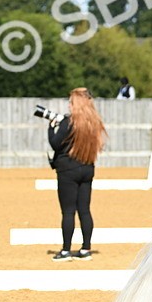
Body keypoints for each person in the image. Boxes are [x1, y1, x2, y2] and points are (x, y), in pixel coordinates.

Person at [48, 88, 107, 261]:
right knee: (85, 210)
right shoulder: (93, 123)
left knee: (68, 212)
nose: (69, 105)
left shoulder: (68, 122)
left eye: (71, 102)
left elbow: (55, 144)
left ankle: (66, 250)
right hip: (87, 168)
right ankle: (85, 249)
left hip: (68, 170)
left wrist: (51, 128)